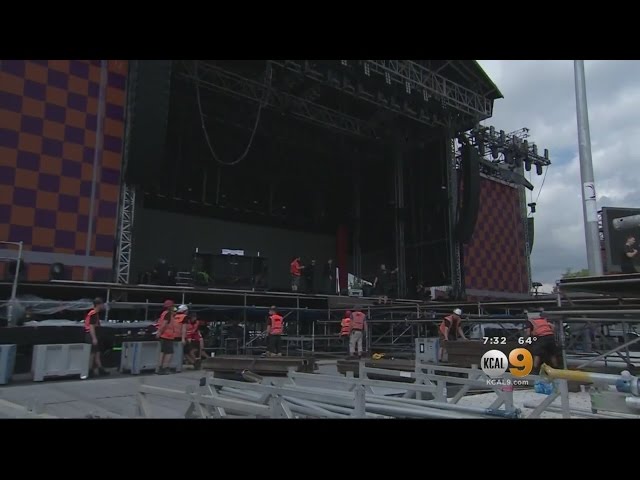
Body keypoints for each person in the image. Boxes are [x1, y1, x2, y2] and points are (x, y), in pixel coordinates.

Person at [84, 297, 109, 378]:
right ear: (98, 305)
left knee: (96, 353)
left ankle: (99, 369)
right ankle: (90, 370)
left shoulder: (94, 313)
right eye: (102, 304)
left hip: (92, 335)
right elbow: (91, 327)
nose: (103, 306)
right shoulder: (93, 313)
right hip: (91, 335)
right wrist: (94, 338)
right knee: (92, 353)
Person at [156, 300, 176, 375]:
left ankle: (160, 368)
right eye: (172, 306)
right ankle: (165, 368)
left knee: (163, 352)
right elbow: (164, 325)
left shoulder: (164, 313)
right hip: (167, 336)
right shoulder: (168, 314)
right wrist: (159, 332)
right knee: (169, 353)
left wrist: (159, 333)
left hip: (163, 336)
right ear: (170, 307)